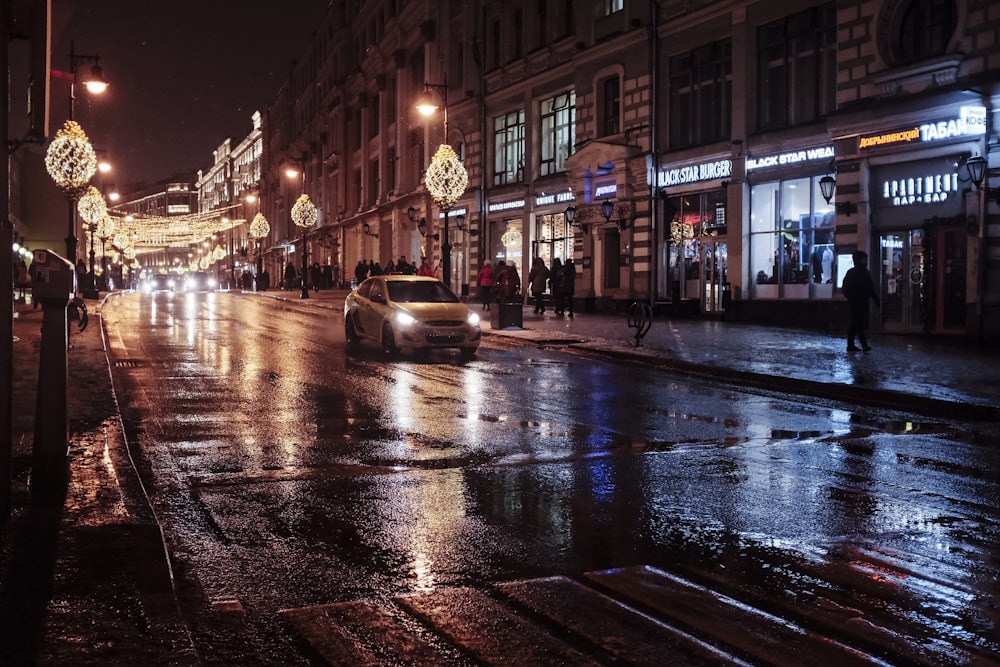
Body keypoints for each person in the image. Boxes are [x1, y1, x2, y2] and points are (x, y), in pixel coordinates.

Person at [841, 250, 880, 352]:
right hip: (859, 302)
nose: (866, 261)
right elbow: (870, 289)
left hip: (857, 302)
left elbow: (845, 288)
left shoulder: (853, 273)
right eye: (864, 259)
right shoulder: (862, 273)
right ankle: (861, 345)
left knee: (856, 323)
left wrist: (850, 298)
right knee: (858, 323)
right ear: (860, 260)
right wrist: (876, 301)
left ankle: (854, 345)